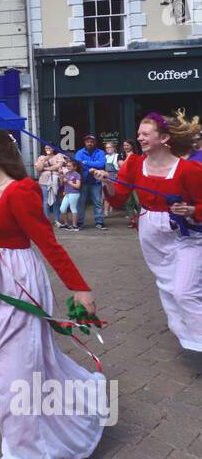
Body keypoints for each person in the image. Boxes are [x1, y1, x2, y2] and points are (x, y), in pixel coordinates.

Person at [0, 125, 105, 459]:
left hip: (21, 283)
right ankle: (87, 402)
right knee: (26, 362)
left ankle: (29, 454)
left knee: (12, 368)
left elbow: (47, 242)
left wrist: (79, 288)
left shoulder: (20, 192)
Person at [93, 110, 202, 353]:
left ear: (164, 138)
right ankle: (189, 338)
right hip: (150, 232)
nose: (139, 138)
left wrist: (192, 208)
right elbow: (119, 199)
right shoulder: (134, 164)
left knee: (184, 291)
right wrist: (107, 181)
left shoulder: (189, 170)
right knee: (167, 286)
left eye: (146, 134)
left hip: (185, 236)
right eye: (139, 134)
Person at [75, 134, 106, 229]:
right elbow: (77, 164)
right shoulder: (80, 152)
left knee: (97, 202)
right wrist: (93, 165)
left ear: (94, 142)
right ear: (85, 142)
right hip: (83, 181)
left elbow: (101, 164)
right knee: (81, 202)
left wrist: (86, 162)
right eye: (88, 141)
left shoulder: (100, 152)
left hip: (96, 181)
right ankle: (80, 222)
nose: (90, 143)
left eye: (91, 142)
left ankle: (99, 221)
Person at [34, 143, 66, 227]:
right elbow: (38, 169)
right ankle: (46, 220)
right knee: (45, 201)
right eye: (46, 148)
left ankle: (57, 220)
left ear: (53, 149)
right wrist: (43, 161)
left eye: (50, 148)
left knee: (56, 201)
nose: (48, 149)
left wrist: (45, 168)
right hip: (44, 181)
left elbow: (58, 166)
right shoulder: (41, 157)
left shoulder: (58, 156)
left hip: (55, 180)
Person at [57, 161, 82, 230]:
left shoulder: (77, 175)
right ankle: (66, 224)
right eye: (67, 166)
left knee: (73, 208)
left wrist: (67, 181)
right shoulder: (67, 173)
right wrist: (61, 178)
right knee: (62, 208)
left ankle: (75, 225)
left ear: (75, 167)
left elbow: (78, 186)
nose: (68, 167)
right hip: (67, 193)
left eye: (70, 166)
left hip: (74, 193)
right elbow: (62, 184)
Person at [102, 137, 121, 217]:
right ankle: (106, 212)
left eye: (109, 147)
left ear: (113, 148)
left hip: (115, 177)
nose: (108, 149)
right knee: (106, 195)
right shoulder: (105, 157)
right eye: (106, 147)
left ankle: (112, 208)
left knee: (114, 194)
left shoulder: (117, 156)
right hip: (106, 177)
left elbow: (120, 168)